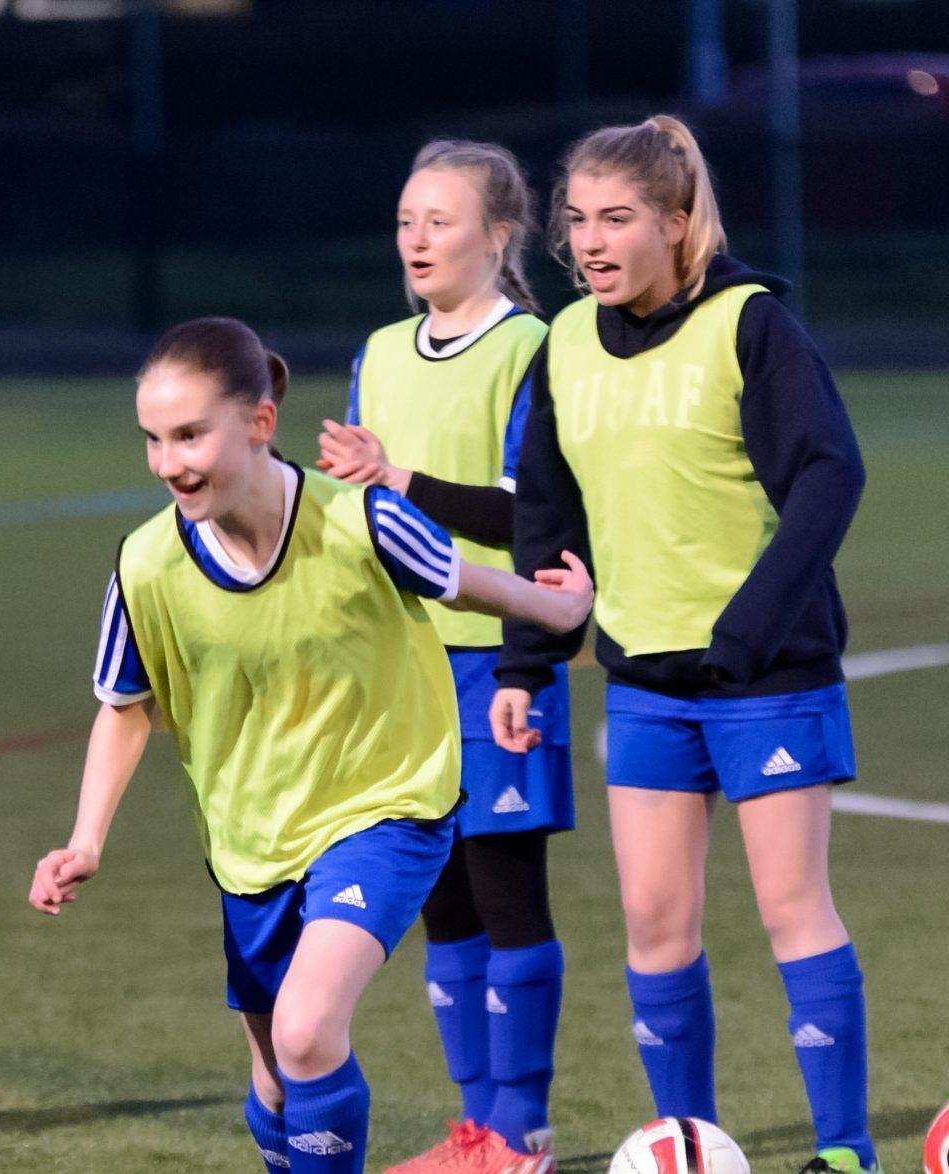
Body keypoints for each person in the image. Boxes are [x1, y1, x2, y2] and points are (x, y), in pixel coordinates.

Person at [31, 316, 593, 1174]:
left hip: (386, 804)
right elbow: (124, 703)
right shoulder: (145, 566)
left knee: (304, 1029)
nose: (168, 462)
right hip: (251, 841)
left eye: (189, 435)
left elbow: (465, 583)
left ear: (259, 422)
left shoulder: (361, 521)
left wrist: (559, 608)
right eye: (152, 439)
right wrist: (84, 839)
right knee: (277, 1081)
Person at [491, 115, 875, 1174]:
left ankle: (844, 1154)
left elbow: (830, 474)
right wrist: (526, 663)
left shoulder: (749, 326)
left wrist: (752, 627)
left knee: (792, 908)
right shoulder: (565, 342)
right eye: (578, 222)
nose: (594, 243)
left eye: (618, 220)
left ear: (676, 221)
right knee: (655, 923)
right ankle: (689, 1146)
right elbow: (543, 519)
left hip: (767, 675)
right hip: (645, 683)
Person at [315, 140, 567, 1173]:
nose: (416, 239)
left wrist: (401, 476)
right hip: (397, 668)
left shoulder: (533, 349)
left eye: (441, 220)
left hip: (492, 655)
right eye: (407, 220)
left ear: (498, 235)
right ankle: (476, 1129)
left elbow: (533, 514)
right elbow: (357, 511)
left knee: (507, 892)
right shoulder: (377, 350)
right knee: (441, 900)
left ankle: (524, 1126)